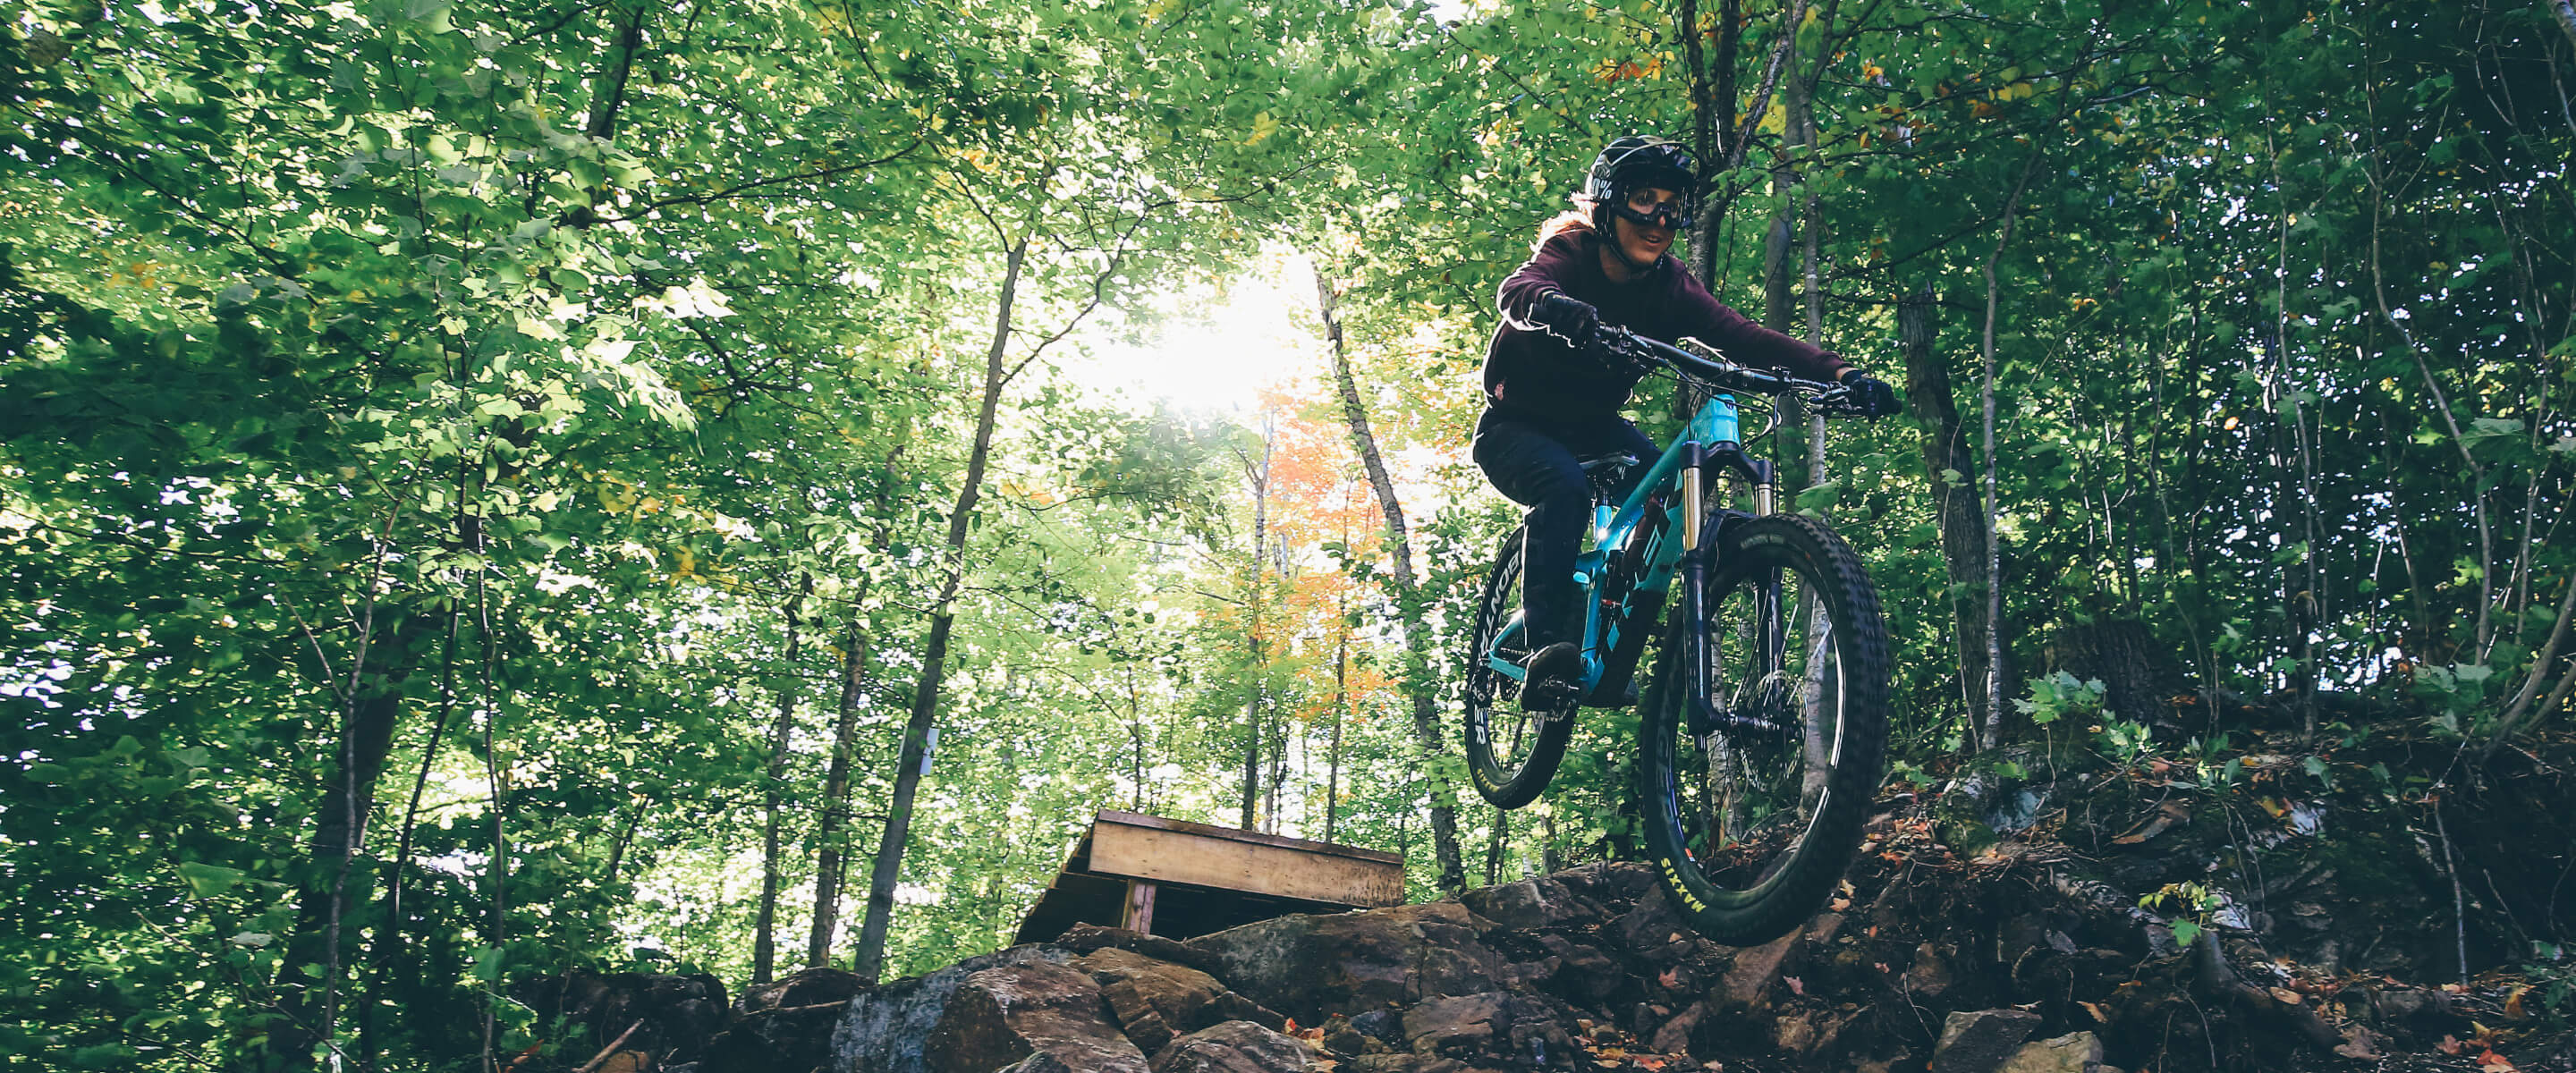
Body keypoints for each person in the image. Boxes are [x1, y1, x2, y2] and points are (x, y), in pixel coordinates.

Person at [1473, 135, 1900, 699]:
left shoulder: (1669, 286)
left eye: (1672, 206)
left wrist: (1840, 375)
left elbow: (1743, 336)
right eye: (1644, 199)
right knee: (1565, 490)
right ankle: (1546, 643)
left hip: (1597, 426)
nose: (1659, 219)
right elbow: (1521, 287)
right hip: (1516, 427)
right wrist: (1554, 306)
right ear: (1606, 203)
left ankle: (1605, 614)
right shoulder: (1573, 254)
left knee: (1671, 495)